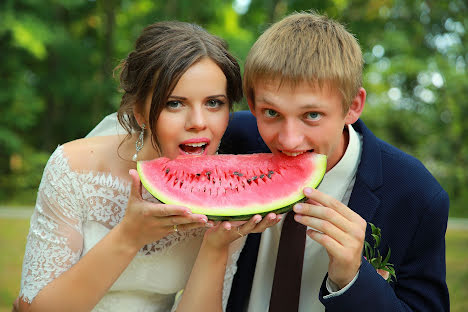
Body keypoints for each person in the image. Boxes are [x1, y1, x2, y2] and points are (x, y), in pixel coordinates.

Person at [16, 21, 280, 312]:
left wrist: (217, 246)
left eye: (214, 103)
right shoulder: (72, 169)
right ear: (140, 111)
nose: (198, 122)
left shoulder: (226, 194)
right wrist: (130, 236)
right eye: (174, 104)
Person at [223, 11, 450, 311]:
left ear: (353, 106)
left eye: (312, 115)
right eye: (272, 113)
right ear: (252, 104)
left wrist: (353, 279)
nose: (289, 140)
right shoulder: (231, 140)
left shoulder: (417, 196)